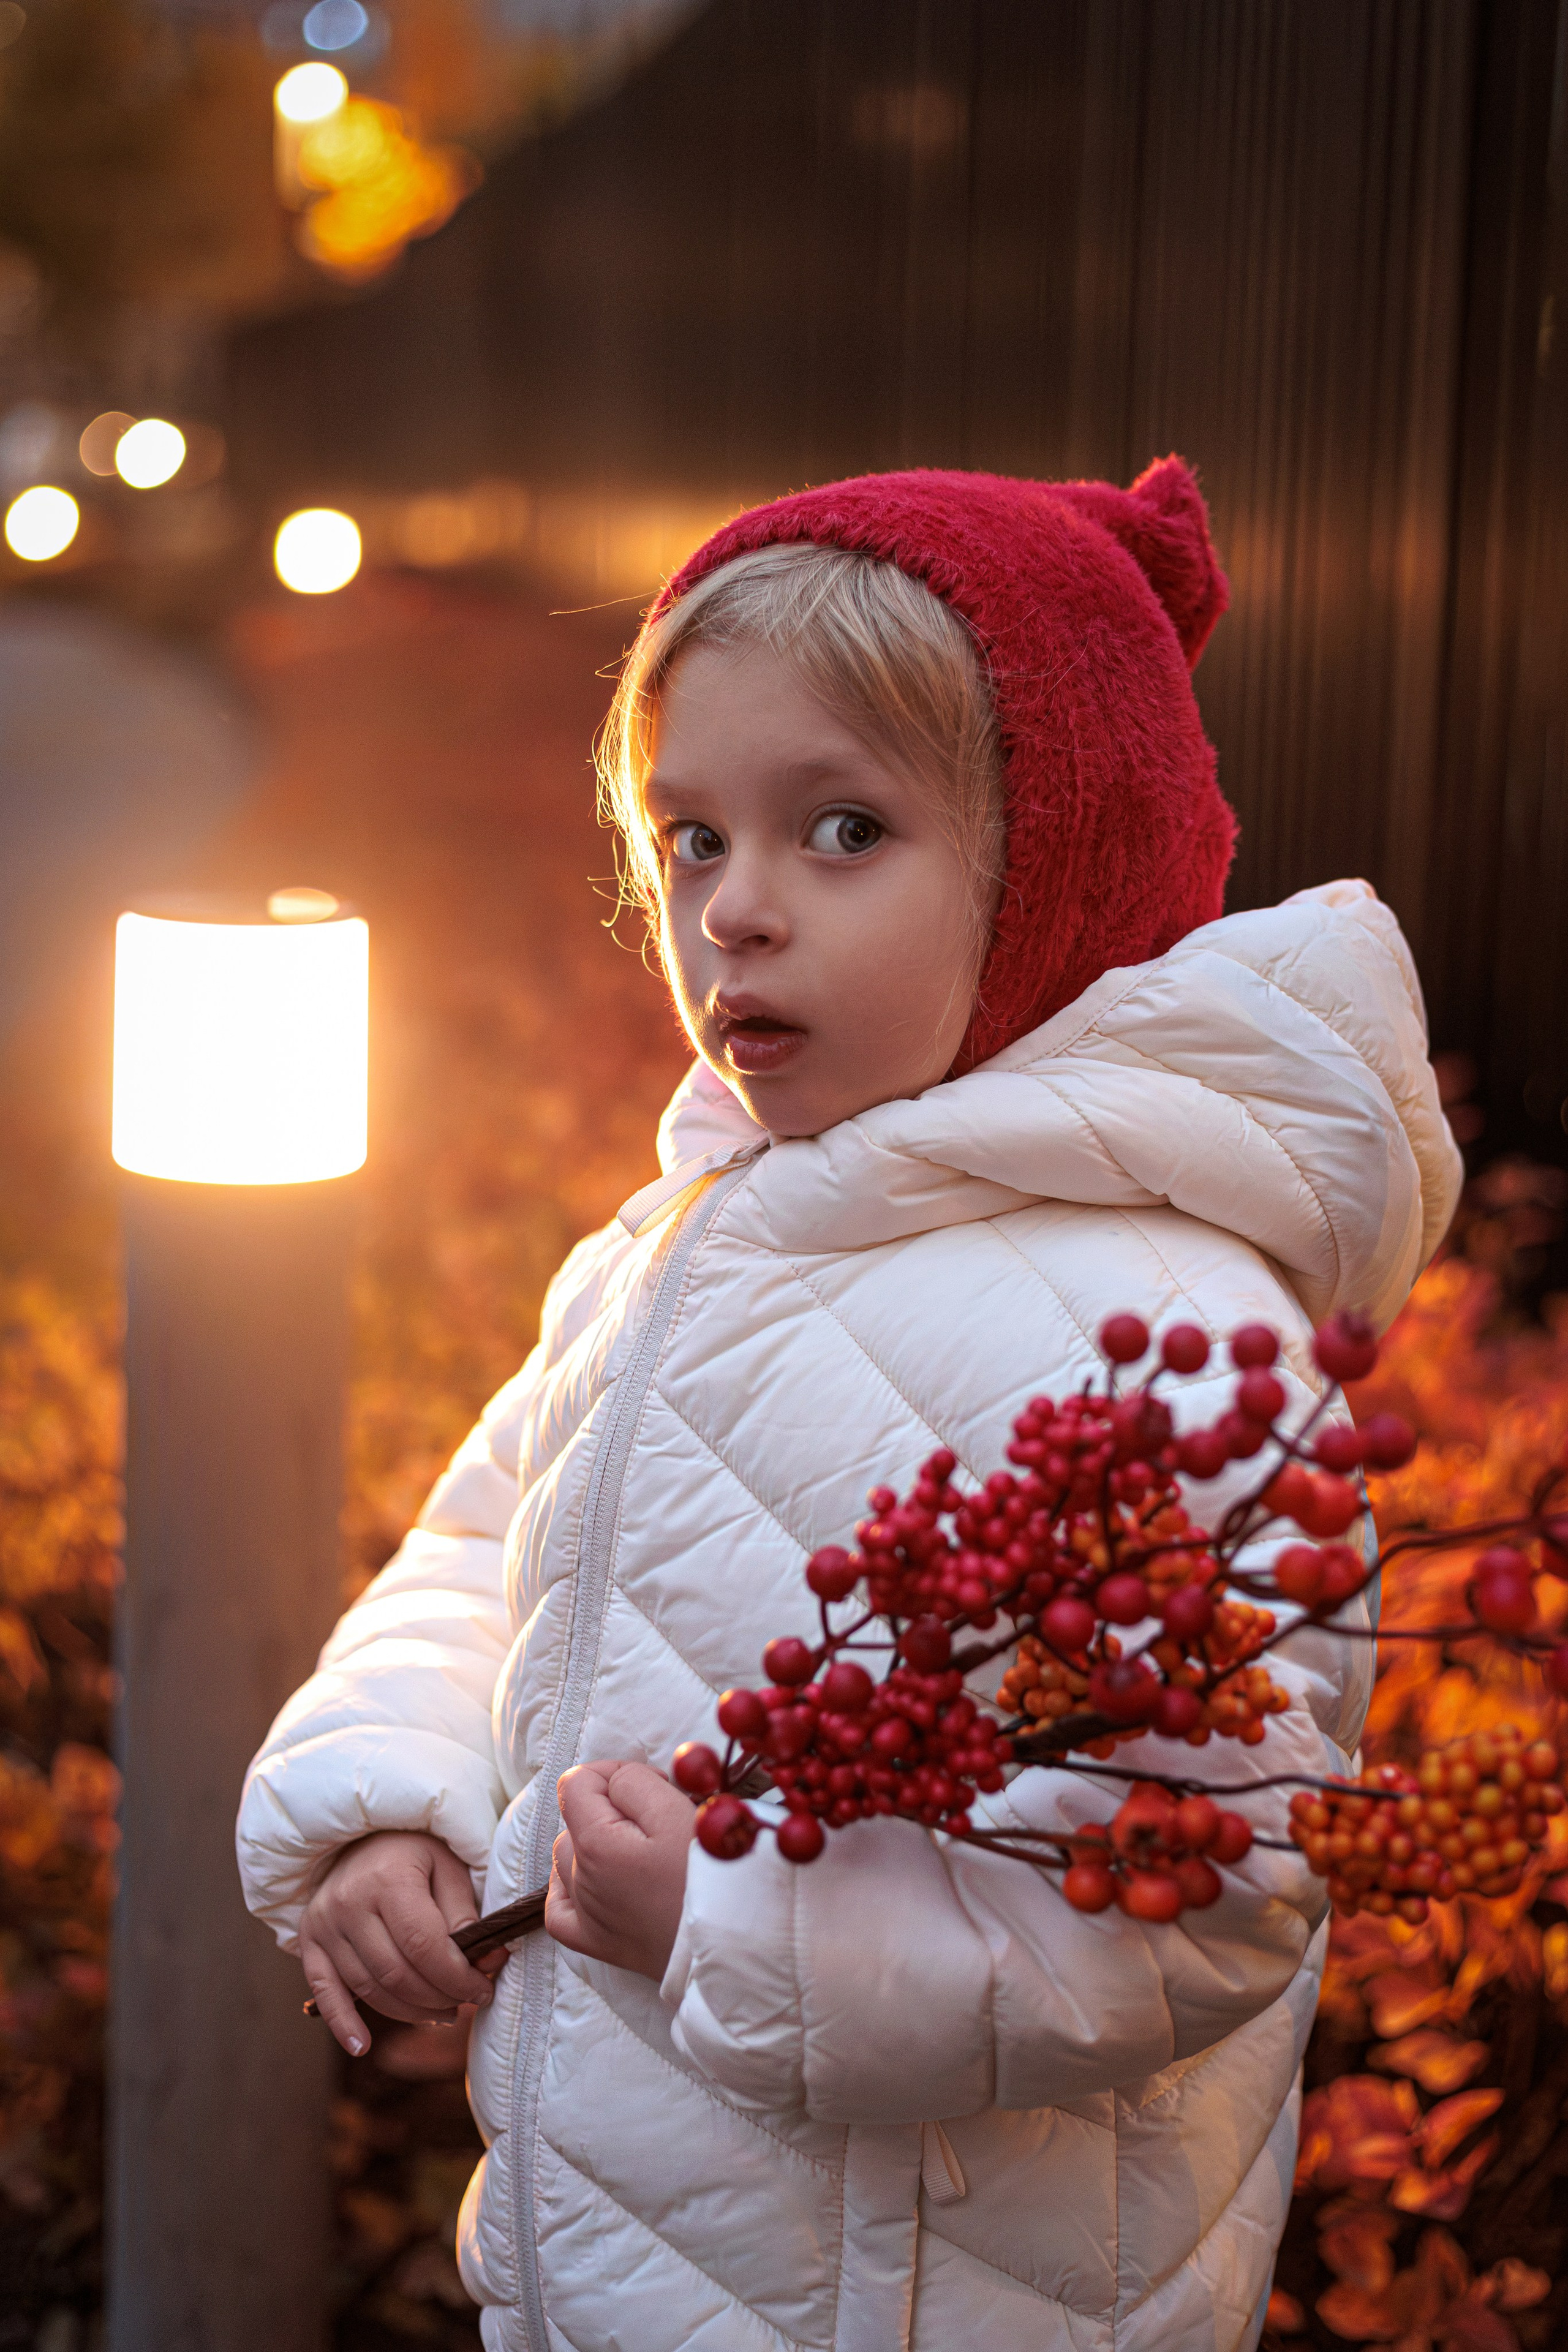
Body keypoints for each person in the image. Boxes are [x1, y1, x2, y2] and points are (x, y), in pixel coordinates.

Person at [238, 460, 1461, 2352]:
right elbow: (485, 1554)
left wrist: (734, 1926)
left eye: (839, 829)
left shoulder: (1166, 1343)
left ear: (1063, 857)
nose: (734, 912)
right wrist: (384, 1812)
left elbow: (1200, 1894)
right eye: (691, 841)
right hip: (615, 2262)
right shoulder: (683, 1245)